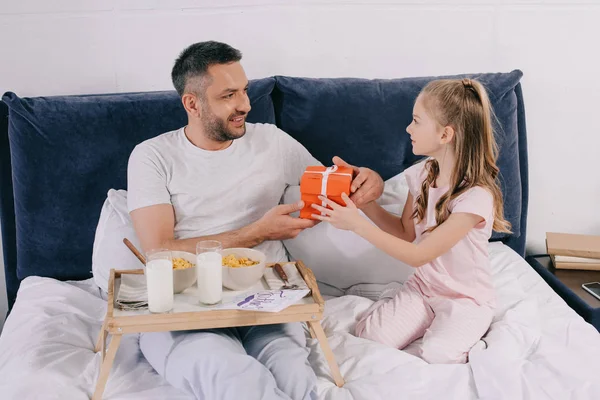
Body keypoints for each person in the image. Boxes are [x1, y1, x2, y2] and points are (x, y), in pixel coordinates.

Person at [127, 41, 384, 399]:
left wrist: (368, 181)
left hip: (265, 296)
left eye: (245, 90)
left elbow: (331, 187)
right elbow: (159, 251)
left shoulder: (272, 142)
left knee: (294, 378)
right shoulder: (153, 156)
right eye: (228, 95)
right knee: (236, 379)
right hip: (185, 303)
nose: (245, 105)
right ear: (192, 103)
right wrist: (257, 233)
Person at [310, 78, 511, 364]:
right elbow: (405, 233)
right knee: (372, 337)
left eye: (416, 121)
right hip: (423, 289)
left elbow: (419, 254)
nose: (408, 128)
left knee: (437, 354)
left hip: (465, 299)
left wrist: (357, 225)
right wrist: (364, 202)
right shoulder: (423, 174)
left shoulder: (475, 197)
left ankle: (453, 334)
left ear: (445, 134)